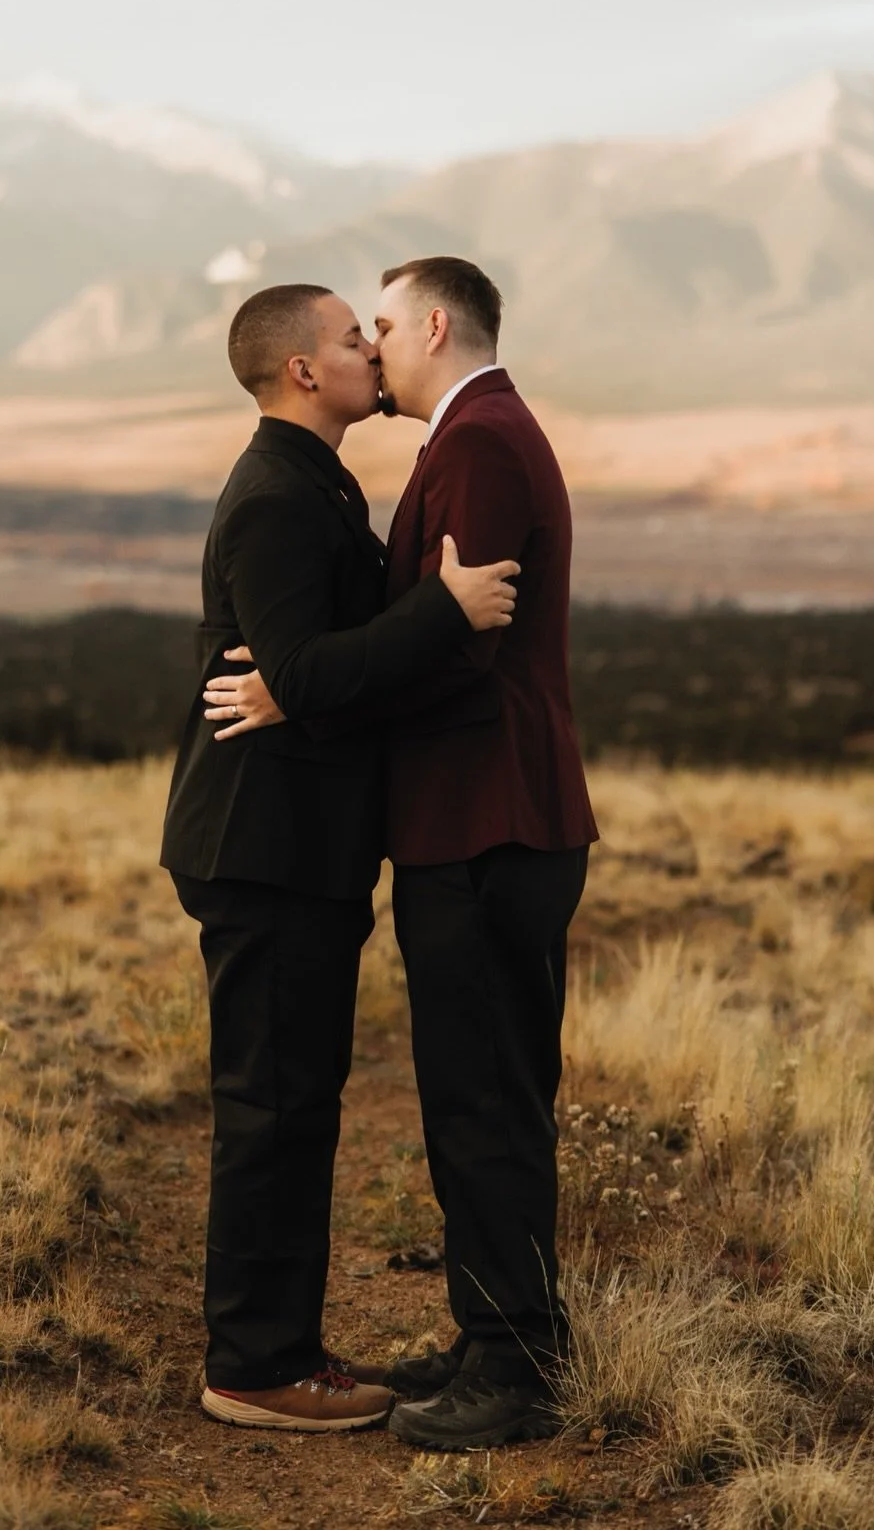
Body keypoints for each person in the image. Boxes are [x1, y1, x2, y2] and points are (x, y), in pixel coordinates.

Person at [203, 257, 597, 1451]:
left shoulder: (475, 441)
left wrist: (303, 690)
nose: (374, 345)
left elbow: (460, 645)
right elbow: (406, 630)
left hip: (487, 817)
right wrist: (310, 681)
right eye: (353, 333)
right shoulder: (437, 445)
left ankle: (515, 1366)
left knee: (486, 1101)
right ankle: (495, 1339)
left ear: (432, 325)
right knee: (474, 1094)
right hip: (459, 819)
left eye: (382, 324)